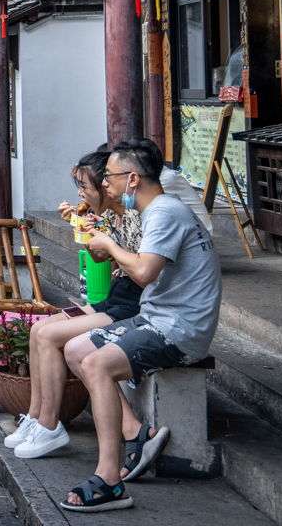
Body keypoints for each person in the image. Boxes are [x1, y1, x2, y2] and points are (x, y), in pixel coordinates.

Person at [59, 139, 222, 513]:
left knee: (96, 364)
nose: (105, 185)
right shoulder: (154, 212)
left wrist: (109, 245)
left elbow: (145, 272)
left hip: (179, 328)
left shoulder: (164, 211)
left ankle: (109, 481)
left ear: (132, 179)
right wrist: (106, 247)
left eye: (110, 177)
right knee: (76, 349)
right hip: (157, 316)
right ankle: (134, 435)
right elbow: (136, 266)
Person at [10, 149, 147, 460]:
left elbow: (141, 270)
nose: (80, 193)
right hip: (115, 297)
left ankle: (49, 424)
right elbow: (101, 260)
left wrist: (107, 238)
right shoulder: (110, 216)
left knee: (49, 335)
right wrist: (85, 228)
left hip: (132, 306)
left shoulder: (138, 216)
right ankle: (35, 416)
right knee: (39, 329)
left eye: (86, 186)